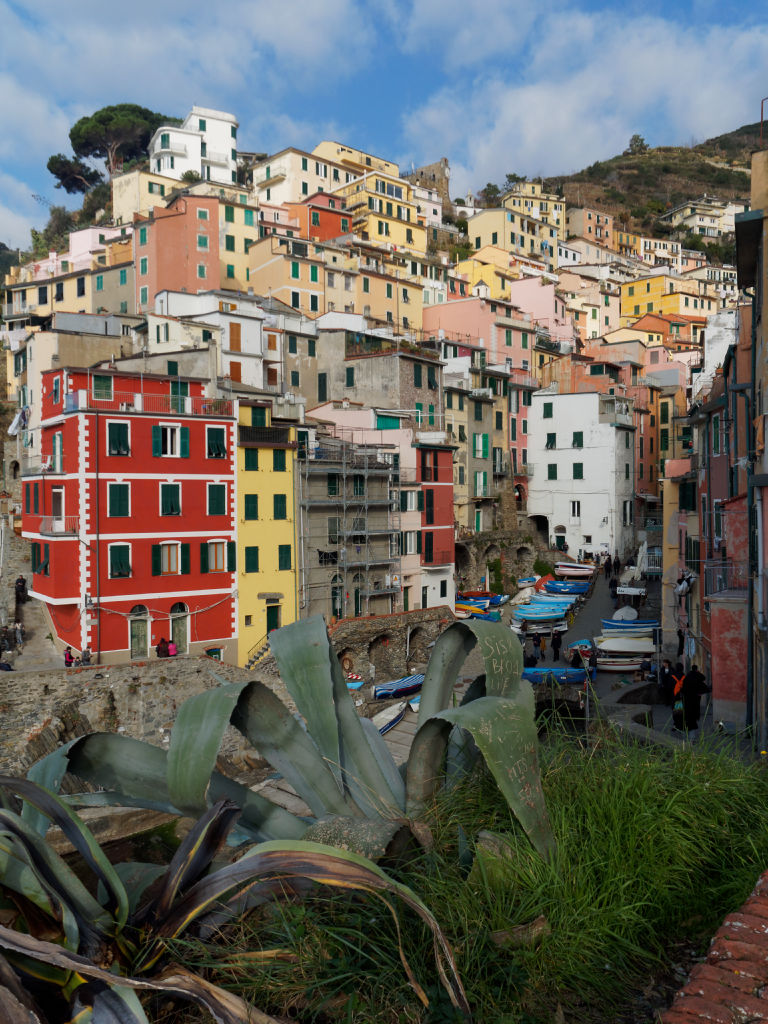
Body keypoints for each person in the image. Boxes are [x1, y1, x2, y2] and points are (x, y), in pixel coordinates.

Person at [682, 664, 710, 731]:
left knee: (688, 709)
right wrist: (698, 672)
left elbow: (684, 685)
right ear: (696, 669)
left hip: (688, 696)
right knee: (695, 708)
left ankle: (688, 724)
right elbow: (703, 678)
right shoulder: (697, 675)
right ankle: (693, 724)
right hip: (695, 695)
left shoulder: (688, 675)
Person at [671, 662, 686, 730]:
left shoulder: (672, 676)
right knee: (682, 710)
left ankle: (675, 724)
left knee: (675, 711)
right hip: (682, 696)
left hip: (674, 697)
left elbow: (669, 687)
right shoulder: (684, 676)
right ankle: (682, 725)